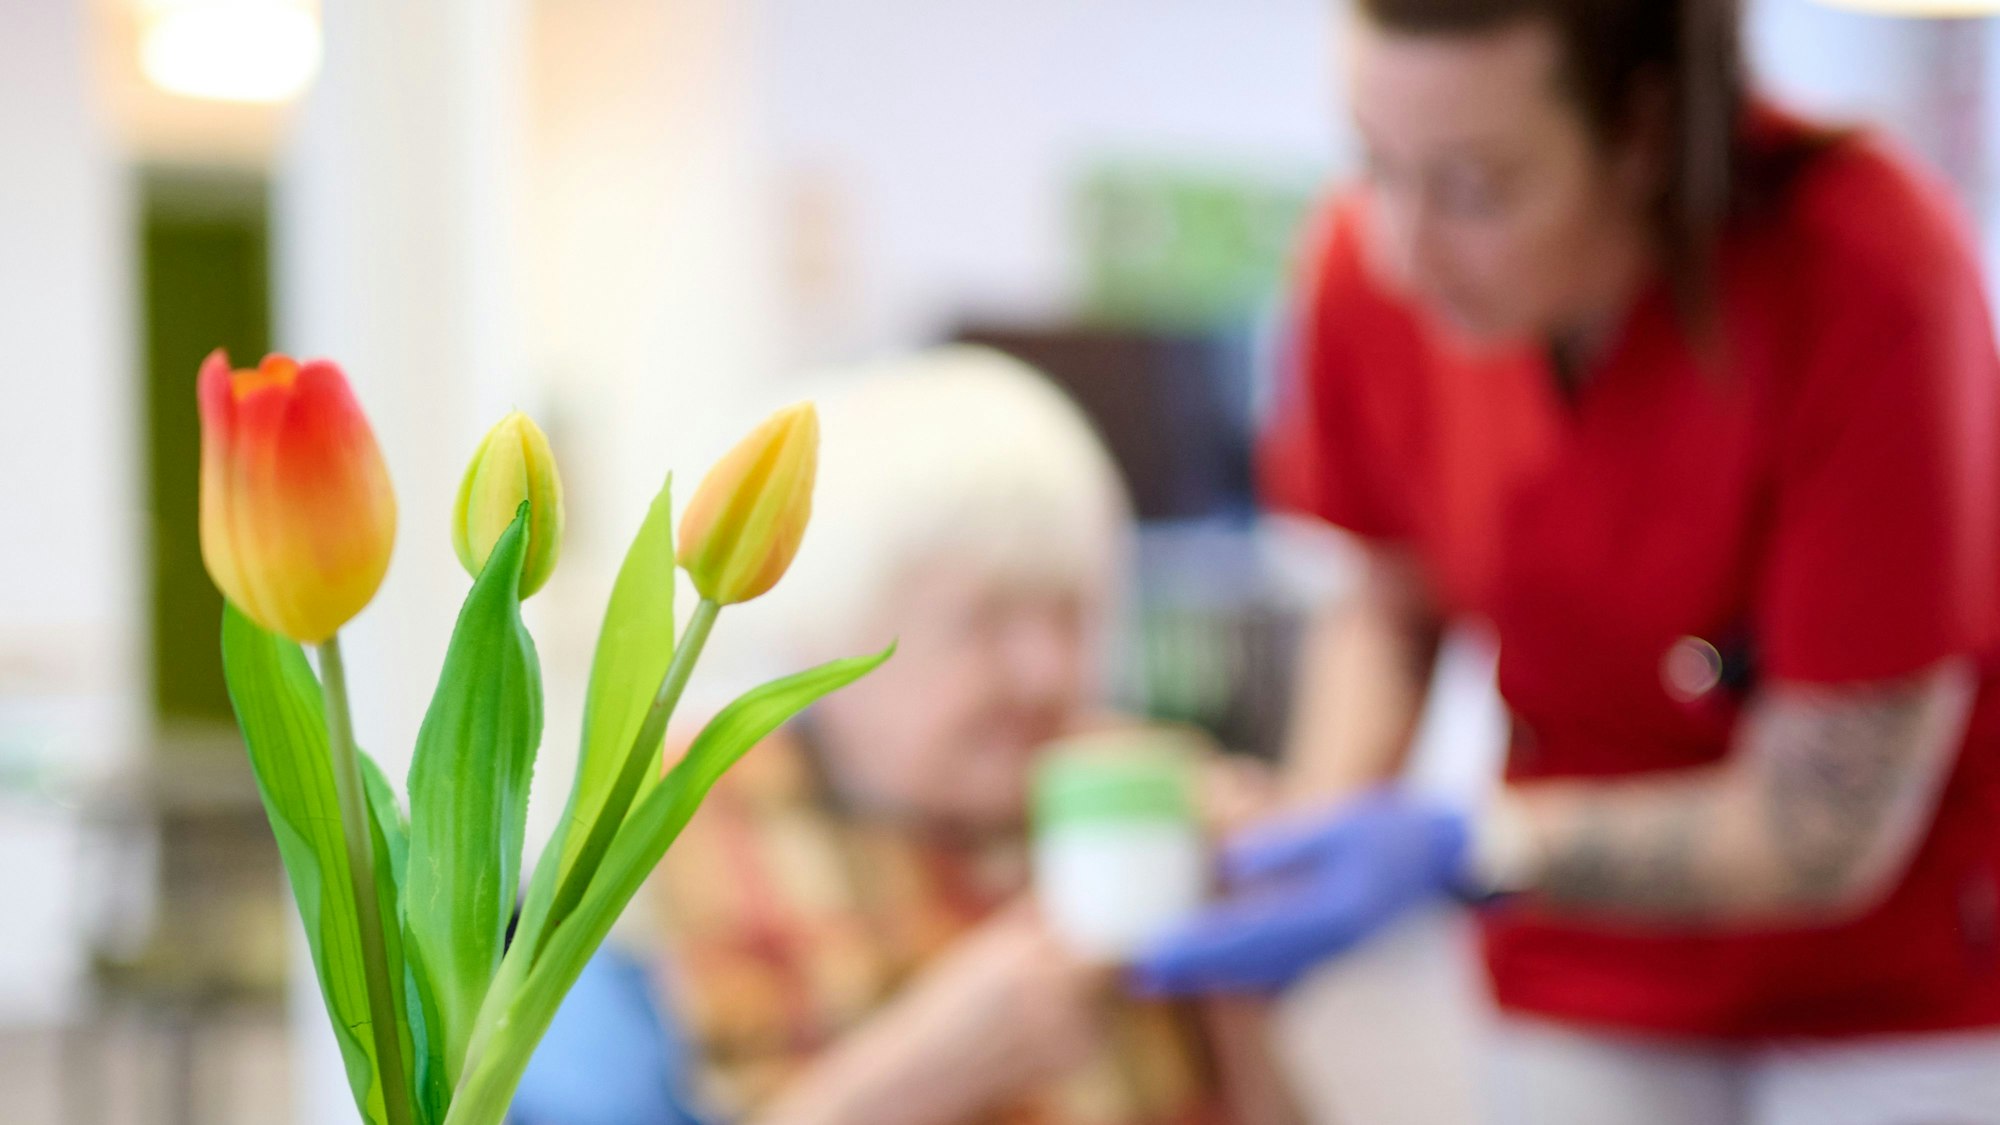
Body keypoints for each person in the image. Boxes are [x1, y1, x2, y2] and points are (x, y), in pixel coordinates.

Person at [1132, 2, 2000, 1123]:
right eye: (1372, 166)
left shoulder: (1867, 271)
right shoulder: (1360, 268)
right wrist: (1307, 835)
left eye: (1474, 188)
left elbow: (1822, 824)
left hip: (1883, 976)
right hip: (1578, 955)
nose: (1401, 253)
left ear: (1638, 135)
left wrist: (1464, 842)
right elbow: (1392, 608)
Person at [627, 348, 1293, 1125]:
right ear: (830, 636)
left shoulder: (1132, 787)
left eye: (1071, 614)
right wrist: (927, 1070)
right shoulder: (696, 808)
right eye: (986, 619)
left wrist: (1241, 965)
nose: (1046, 673)